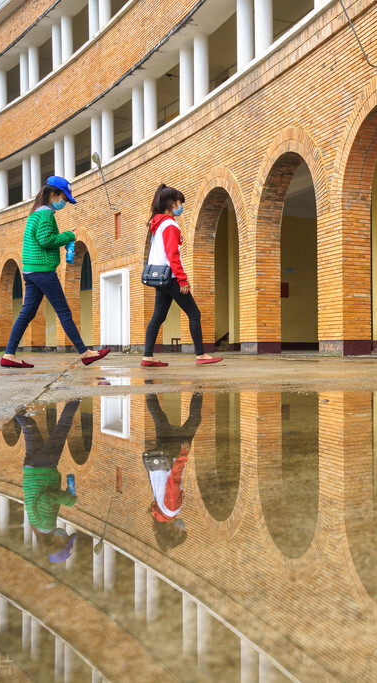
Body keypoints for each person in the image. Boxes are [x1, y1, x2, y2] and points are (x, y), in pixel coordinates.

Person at [0, 177, 110, 369]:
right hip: (43, 271)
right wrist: (70, 235)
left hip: (30, 270)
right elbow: (46, 240)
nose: (64, 203)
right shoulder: (45, 214)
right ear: (53, 194)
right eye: (64, 198)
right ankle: (85, 353)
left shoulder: (35, 213)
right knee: (64, 312)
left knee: (27, 313)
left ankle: (9, 354)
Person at [141, 184, 222, 366]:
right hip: (172, 277)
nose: (181, 206)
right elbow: (172, 255)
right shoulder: (169, 225)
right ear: (172, 204)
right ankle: (201, 355)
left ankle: (147, 357)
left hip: (161, 278)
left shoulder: (158, 224)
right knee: (194, 313)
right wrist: (182, 279)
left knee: (158, 317)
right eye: (179, 203)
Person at [17, 400, 81, 562]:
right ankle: (15, 408)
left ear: (56, 542)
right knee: (28, 426)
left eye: (64, 539)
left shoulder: (46, 524)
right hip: (31, 469)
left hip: (43, 469)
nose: (65, 535)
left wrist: (68, 500)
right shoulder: (36, 525)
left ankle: (76, 395)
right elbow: (42, 498)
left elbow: (47, 497)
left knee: (63, 426)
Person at [143, 392, 203, 552]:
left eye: (181, 530)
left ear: (174, 531)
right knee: (159, 417)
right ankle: (148, 384)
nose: (183, 527)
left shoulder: (170, 510)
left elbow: (174, 481)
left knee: (195, 419)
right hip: (161, 456)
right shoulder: (157, 512)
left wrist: (183, 455)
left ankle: (199, 387)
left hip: (175, 454)